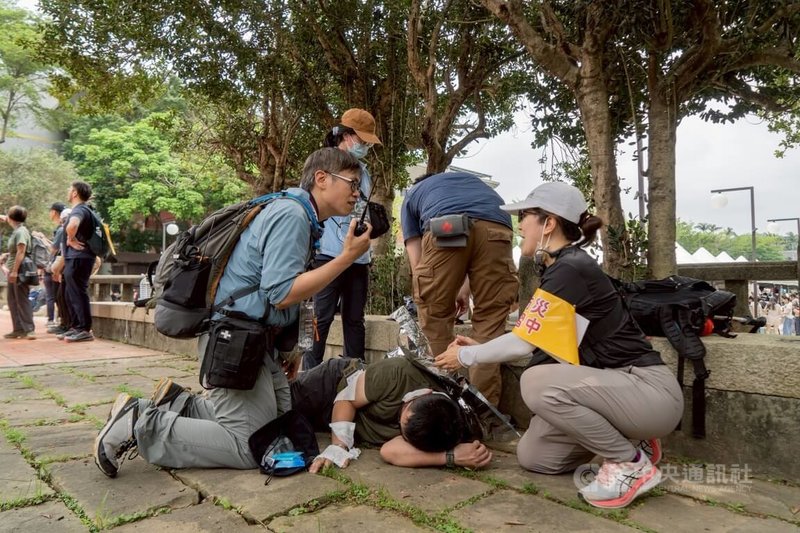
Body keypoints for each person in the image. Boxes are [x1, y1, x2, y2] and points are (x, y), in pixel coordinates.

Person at [93, 147, 373, 477]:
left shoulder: (298, 214)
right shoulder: (292, 215)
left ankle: (178, 405)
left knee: (277, 425)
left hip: (252, 339)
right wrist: (345, 258)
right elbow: (281, 292)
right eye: (352, 184)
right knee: (250, 445)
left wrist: (288, 349)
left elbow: (280, 291)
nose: (357, 193)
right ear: (322, 179)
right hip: (234, 339)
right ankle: (140, 423)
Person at [434, 181, 684, 509]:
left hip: (648, 391)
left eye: (525, 216)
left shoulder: (572, 269)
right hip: (616, 391)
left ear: (548, 223)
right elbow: (542, 340)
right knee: (536, 456)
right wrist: (483, 345)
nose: (520, 225)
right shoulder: (559, 268)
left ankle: (629, 463)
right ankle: (630, 437)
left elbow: (523, 343)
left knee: (536, 382)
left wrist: (466, 355)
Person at [400, 171, 519, 406]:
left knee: (434, 314)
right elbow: (476, 239)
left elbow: (418, 262)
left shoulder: (413, 195)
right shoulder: (471, 184)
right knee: (490, 321)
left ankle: (446, 403)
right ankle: (484, 412)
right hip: (498, 225)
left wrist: (439, 293)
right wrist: (461, 289)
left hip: (446, 224)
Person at [295, 357, 492, 473]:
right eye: (404, 413)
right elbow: (346, 400)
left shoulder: (446, 430)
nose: (397, 421)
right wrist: (339, 445)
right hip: (333, 388)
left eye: (401, 429)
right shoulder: (397, 373)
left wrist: (450, 456)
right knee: (274, 409)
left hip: (334, 421)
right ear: (424, 393)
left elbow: (389, 451)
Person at [304, 109, 381, 369]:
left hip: (359, 256)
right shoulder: (324, 165)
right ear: (346, 136)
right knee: (320, 317)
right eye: (362, 140)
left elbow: (363, 207)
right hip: (328, 252)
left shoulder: (365, 171)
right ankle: (309, 373)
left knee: (354, 319)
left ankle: (354, 374)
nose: (366, 146)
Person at [61, 181, 99, 342]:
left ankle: (84, 329)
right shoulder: (84, 209)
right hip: (77, 257)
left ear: (75, 193)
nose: (68, 192)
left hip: (79, 257)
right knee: (72, 293)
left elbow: (73, 224)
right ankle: (77, 327)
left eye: (70, 189)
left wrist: (71, 238)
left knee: (77, 292)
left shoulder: (80, 209)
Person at [2, 206, 36, 340]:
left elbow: (21, 251)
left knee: (21, 299)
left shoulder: (21, 232)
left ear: (11, 218)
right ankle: (18, 329)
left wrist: (15, 271)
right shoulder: (18, 229)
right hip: (13, 269)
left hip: (20, 270)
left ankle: (29, 329)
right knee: (12, 300)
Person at [48, 208, 72, 335]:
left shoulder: (65, 230)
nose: (62, 222)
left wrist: (56, 270)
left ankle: (69, 325)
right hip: (66, 267)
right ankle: (65, 324)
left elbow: (62, 253)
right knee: (61, 296)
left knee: (64, 296)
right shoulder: (65, 230)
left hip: (68, 266)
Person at [43, 202, 66, 328]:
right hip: (60, 265)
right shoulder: (63, 229)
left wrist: (42, 240)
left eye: (50, 211)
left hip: (56, 266)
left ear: (55, 212)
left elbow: (54, 249)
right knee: (57, 295)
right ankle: (60, 319)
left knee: (52, 296)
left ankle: (52, 320)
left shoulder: (61, 229)